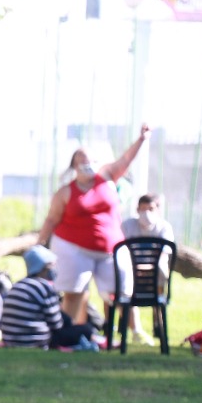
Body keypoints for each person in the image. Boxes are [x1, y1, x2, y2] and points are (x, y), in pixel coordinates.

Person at [37, 124, 150, 325]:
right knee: (75, 293)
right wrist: (39, 243)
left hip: (110, 249)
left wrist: (141, 139)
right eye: (80, 158)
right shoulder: (65, 192)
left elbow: (126, 160)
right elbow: (52, 219)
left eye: (89, 158)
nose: (85, 161)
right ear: (74, 165)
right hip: (73, 249)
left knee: (121, 292)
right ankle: (68, 330)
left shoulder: (107, 177)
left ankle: (132, 332)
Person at [0, 246, 96, 350]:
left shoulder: (18, 285)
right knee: (86, 329)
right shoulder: (44, 287)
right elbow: (56, 324)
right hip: (35, 341)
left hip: (10, 340)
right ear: (45, 268)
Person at [119, 193, 175, 345]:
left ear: (158, 209)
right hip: (131, 274)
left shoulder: (164, 228)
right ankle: (125, 329)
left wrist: (147, 268)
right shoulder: (127, 226)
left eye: (150, 208)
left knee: (161, 274)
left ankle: (159, 326)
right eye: (143, 209)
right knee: (117, 283)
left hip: (154, 277)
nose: (147, 213)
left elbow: (164, 255)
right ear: (137, 209)